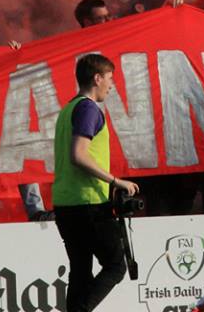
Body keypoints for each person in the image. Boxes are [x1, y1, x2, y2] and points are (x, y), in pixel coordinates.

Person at [53, 54, 139, 312]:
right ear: (97, 78)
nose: (112, 85)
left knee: (80, 271)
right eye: (110, 78)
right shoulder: (88, 109)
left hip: (65, 203)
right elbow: (78, 155)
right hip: (88, 203)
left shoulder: (67, 109)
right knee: (115, 266)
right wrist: (116, 181)